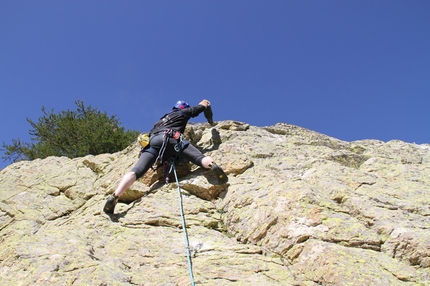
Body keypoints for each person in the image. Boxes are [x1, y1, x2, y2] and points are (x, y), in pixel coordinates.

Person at [103, 99, 227, 214]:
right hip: (172, 138)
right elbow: (203, 104)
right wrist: (209, 118)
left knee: (137, 171)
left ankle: (115, 196)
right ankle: (212, 165)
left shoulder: (159, 121)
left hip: (153, 143)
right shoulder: (183, 112)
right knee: (197, 157)